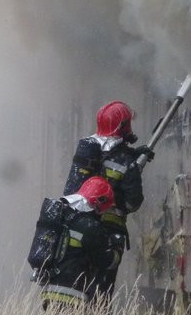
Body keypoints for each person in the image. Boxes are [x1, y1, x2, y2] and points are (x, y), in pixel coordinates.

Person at [63, 100, 152, 304]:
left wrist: (133, 154)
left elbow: (72, 190)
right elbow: (133, 203)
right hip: (110, 234)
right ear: (124, 126)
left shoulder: (89, 150)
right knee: (102, 289)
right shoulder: (126, 162)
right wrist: (134, 169)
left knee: (80, 282)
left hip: (79, 228)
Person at [40, 176, 119, 312]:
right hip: (72, 293)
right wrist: (116, 250)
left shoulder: (63, 215)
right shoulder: (90, 226)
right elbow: (105, 261)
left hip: (49, 290)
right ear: (99, 202)